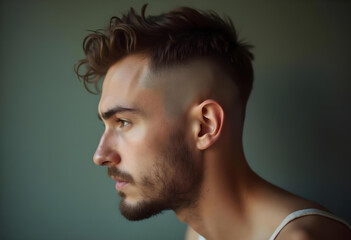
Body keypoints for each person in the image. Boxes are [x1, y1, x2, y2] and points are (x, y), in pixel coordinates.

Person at [75, 5, 351, 240]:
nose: (100, 156)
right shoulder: (198, 232)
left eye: (123, 122)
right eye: (106, 124)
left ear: (205, 126)